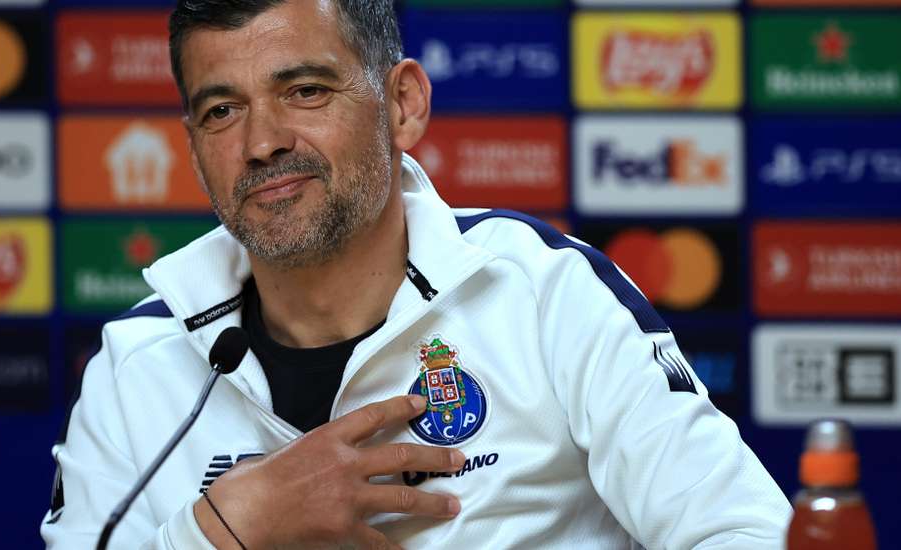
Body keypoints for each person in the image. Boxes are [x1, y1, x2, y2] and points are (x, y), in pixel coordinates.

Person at [41, 1, 792, 548]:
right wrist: (224, 532)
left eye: (304, 91)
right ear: (195, 145)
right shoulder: (136, 365)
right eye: (221, 111)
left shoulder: (538, 291)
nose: (263, 142)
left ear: (402, 104)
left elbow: (745, 533)